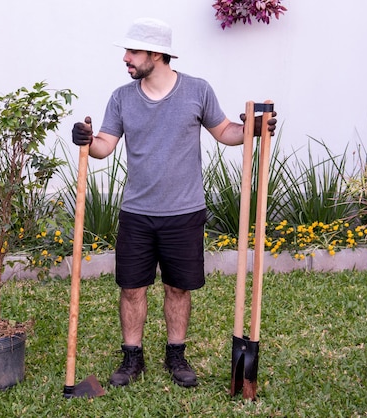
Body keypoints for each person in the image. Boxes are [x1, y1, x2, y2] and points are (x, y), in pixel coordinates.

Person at [72, 17, 277, 388]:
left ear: (156, 54)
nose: (125, 58)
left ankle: (175, 355)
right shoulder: (121, 98)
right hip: (137, 212)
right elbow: (104, 145)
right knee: (132, 288)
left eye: (132, 51)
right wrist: (87, 139)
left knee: (177, 288)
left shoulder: (197, 91)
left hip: (184, 212)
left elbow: (226, 132)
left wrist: (252, 128)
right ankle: (132, 357)